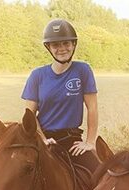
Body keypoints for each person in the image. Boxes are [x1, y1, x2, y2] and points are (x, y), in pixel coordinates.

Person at [22, 19, 98, 173]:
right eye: (56, 45)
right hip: (43, 140)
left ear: (73, 45)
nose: (62, 48)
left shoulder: (83, 70)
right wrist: (43, 139)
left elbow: (92, 107)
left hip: (71, 140)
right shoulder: (37, 75)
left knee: (98, 174)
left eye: (66, 43)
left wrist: (90, 142)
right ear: (49, 47)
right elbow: (29, 115)